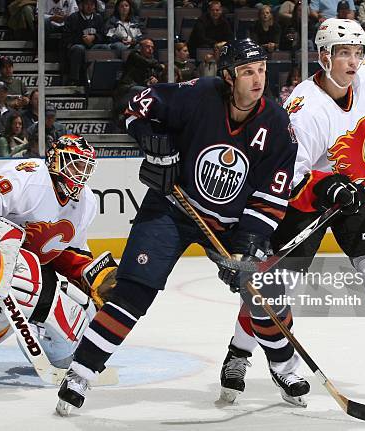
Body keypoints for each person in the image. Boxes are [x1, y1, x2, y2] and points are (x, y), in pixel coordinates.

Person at [55, 39, 301, 415]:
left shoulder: (278, 125)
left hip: (232, 226)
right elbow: (130, 103)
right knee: (132, 292)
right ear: (228, 76)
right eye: (248, 72)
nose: (257, 80)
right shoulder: (198, 96)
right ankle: (81, 372)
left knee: (264, 292)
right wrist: (149, 137)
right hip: (173, 208)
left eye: (262, 71)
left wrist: (249, 245)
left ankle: (285, 368)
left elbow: (271, 195)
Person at [221, 19, 365, 406]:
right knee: (269, 288)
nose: (354, 61)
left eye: (358, 52)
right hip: (308, 203)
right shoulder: (305, 109)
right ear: (324, 57)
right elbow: (286, 176)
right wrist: (327, 186)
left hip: (364, 192)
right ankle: (239, 353)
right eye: (344, 53)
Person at [0, 134, 116, 381]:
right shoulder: (28, 176)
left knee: (78, 323)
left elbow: (69, 253)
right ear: (55, 160)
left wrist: (97, 279)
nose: (80, 173)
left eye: (85, 166)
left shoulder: (86, 202)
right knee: (22, 278)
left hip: (31, 268)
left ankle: (41, 341)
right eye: (74, 163)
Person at [62, 0, 106, 86]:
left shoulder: (98, 18)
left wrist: (94, 37)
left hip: (93, 47)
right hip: (77, 46)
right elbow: (66, 37)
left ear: (95, 6)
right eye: (87, 4)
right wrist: (83, 39)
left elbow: (104, 36)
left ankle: (102, 80)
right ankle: (74, 79)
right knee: (78, 48)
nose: (89, 7)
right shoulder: (73, 18)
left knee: (105, 48)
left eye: (92, 4)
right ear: (81, 5)